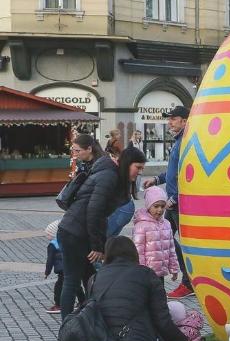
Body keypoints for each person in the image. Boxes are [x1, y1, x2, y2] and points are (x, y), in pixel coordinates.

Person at [85, 236, 190, 341]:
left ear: (107, 255)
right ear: (133, 253)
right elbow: (162, 320)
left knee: (107, 321)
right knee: (151, 320)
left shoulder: (94, 279)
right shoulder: (147, 275)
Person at [58, 137, 145, 319]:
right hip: (73, 233)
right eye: (138, 168)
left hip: (77, 231)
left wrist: (100, 244)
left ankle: (90, 318)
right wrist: (97, 246)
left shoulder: (113, 176)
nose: (139, 173)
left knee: (90, 278)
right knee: (72, 281)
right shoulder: (109, 176)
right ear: (128, 163)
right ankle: (67, 325)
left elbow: (101, 215)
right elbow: (94, 211)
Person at [143, 106, 192, 299]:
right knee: (166, 238)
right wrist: (156, 180)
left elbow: (188, 174)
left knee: (179, 242)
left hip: (179, 204)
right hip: (173, 203)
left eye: (174, 119)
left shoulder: (186, 142)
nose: (169, 122)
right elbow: (173, 172)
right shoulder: (178, 141)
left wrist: (175, 198)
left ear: (185, 121)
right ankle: (182, 280)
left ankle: (188, 283)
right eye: (169, 119)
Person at [133, 186, 181, 281]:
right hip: (147, 274)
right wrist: (140, 271)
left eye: (163, 206)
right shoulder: (141, 226)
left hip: (161, 272)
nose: (159, 210)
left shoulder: (166, 224)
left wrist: (174, 268)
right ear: (148, 206)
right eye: (156, 206)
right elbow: (138, 252)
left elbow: (171, 249)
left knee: (159, 294)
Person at [105, 130, 137, 237]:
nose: (120, 135)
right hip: (123, 205)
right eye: (118, 134)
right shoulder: (117, 143)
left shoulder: (109, 142)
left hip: (119, 205)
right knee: (109, 235)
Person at [44, 220, 71, 314]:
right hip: (70, 267)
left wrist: (47, 272)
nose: (46, 236)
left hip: (61, 269)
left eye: (48, 234)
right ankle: (82, 301)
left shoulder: (52, 245)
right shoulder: (65, 241)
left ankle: (58, 304)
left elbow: (50, 260)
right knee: (75, 285)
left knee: (59, 287)